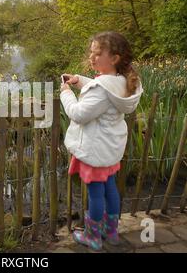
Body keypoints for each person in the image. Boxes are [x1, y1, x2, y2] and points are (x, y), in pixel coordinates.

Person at [60, 31, 143, 251]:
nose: (92, 56)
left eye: (98, 53)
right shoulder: (121, 81)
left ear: (114, 58)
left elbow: (78, 114)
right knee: (110, 189)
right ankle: (111, 231)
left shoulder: (103, 89)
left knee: (96, 194)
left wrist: (66, 93)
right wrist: (79, 81)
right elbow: (102, 88)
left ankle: (93, 237)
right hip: (110, 150)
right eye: (92, 52)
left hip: (95, 150)